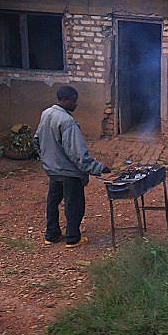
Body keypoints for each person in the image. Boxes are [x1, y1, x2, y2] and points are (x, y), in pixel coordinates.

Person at [34, 86, 110, 247]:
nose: (76, 104)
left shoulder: (46, 114)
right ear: (66, 100)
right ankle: (73, 238)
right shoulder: (68, 122)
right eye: (74, 101)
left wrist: (47, 159)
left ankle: (51, 235)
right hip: (69, 172)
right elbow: (77, 154)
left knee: (53, 202)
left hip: (53, 170)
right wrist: (99, 168)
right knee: (73, 203)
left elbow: (36, 140)